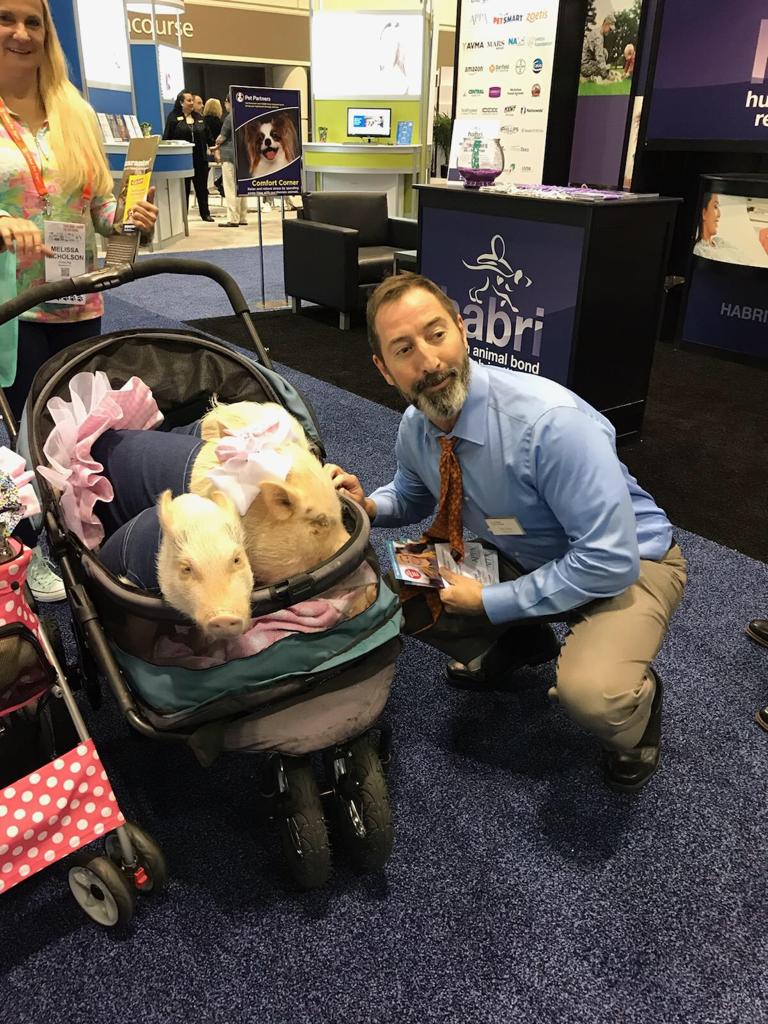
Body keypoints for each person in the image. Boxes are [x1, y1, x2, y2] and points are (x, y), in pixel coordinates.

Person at [325, 274, 688, 793]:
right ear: (384, 370)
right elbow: (412, 492)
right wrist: (367, 505)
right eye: (403, 349)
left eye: (436, 335)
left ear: (463, 332)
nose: (427, 362)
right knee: (397, 592)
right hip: (526, 553)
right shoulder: (417, 423)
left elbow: (610, 559)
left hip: (633, 562)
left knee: (595, 695)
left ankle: (640, 710)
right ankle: (520, 643)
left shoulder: (548, 423)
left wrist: (492, 601)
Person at [0, 0, 158, 601]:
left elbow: (99, 211)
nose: (20, 33)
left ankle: (69, 536)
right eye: (6, 18)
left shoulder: (77, 112)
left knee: (75, 431)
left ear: (48, 33)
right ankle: (27, 546)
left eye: (33, 21)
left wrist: (128, 216)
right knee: (25, 433)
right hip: (15, 305)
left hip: (78, 297)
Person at [163, 90, 212, 222]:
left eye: (192, 100)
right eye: (189, 100)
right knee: (183, 189)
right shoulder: (173, 117)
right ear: (181, 102)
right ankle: (182, 216)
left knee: (202, 187)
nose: (192, 103)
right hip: (182, 161)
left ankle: (205, 213)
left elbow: (208, 136)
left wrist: (214, 149)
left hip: (200, 159)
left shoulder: (199, 117)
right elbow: (167, 138)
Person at [211, 96, 248, 228]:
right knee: (241, 188)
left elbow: (221, 138)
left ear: (229, 102)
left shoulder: (229, 118)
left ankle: (233, 218)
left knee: (230, 187)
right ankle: (242, 217)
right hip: (243, 156)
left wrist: (215, 144)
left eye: (225, 103)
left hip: (229, 156)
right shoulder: (244, 115)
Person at [581, 15, 615, 80]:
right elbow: (599, 57)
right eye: (610, 29)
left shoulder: (597, 32)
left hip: (587, 62)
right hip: (584, 67)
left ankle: (594, 76)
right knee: (603, 69)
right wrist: (606, 73)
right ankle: (591, 77)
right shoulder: (598, 37)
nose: (610, 31)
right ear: (606, 24)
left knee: (604, 52)